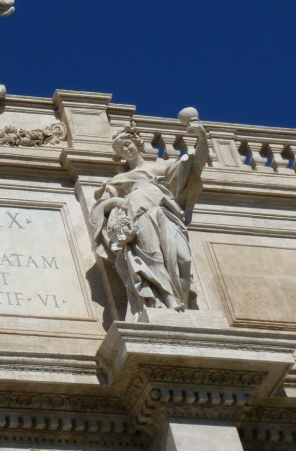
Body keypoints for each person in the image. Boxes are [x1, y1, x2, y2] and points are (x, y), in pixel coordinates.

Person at [89, 121, 209, 319]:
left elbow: (196, 164)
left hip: (165, 214)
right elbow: (100, 209)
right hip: (140, 218)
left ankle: (184, 303)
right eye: (120, 149)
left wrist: (202, 137)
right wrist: (117, 201)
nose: (126, 150)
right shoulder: (118, 180)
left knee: (183, 259)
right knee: (153, 258)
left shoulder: (162, 167)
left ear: (137, 143)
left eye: (127, 144)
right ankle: (168, 302)